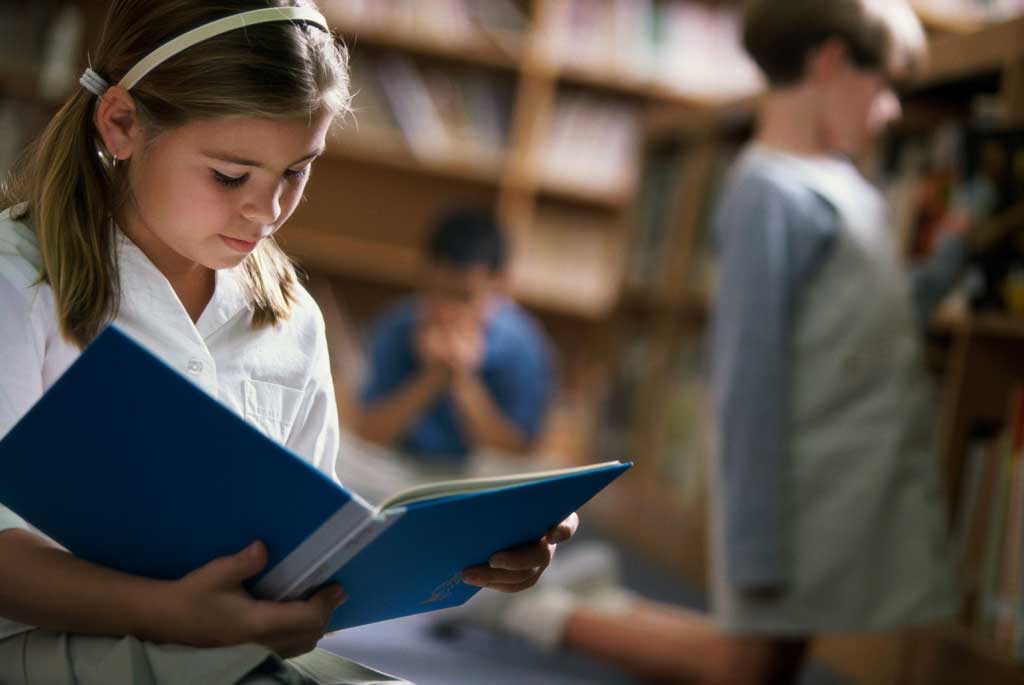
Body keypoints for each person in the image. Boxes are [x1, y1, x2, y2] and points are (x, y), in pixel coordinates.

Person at [0, 3, 576, 683]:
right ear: (122, 123)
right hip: (43, 643)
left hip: (217, 651)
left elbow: (306, 555)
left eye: (297, 172)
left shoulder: (290, 317)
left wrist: (475, 548)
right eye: (229, 175)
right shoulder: (19, 281)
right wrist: (171, 613)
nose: (267, 211)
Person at [451, 2, 964, 683]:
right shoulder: (767, 193)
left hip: (841, 478)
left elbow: (876, 313)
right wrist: (752, 546)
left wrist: (957, 258)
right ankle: (535, 613)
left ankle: (594, 600)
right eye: (887, 84)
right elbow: (748, 380)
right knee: (747, 664)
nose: (894, 109)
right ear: (831, 63)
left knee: (774, 655)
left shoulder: (844, 183)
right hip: (789, 489)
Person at [354, 208, 555, 464]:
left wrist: (461, 379)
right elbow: (369, 433)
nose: (447, 311)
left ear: (499, 285)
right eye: (435, 292)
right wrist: (432, 378)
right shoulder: (398, 325)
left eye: (464, 297)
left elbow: (517, 453)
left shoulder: (523, 346)